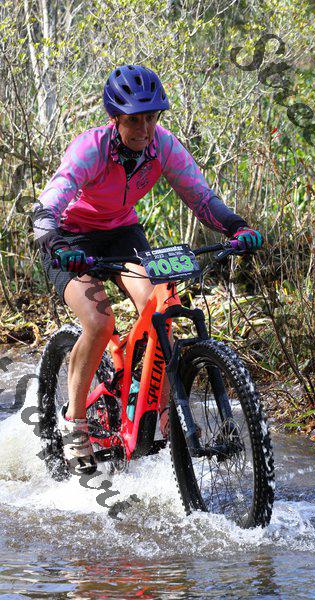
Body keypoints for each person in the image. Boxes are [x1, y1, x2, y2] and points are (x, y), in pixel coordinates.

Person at [32, 64, 263, 475]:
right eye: (134, 120)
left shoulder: (164, 146)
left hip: (122, 233)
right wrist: (56, 242)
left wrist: (236, 227)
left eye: (151, 118)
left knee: (161, 309)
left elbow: (201, 197)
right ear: (116, 119)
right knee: (99, 322)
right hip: (70, 238)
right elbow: (48, 204)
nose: (144, 128)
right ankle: (75, 423)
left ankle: (161, 409)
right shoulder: (91, 148)